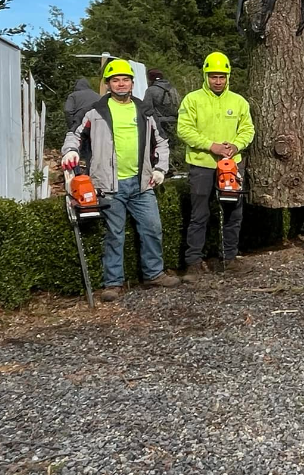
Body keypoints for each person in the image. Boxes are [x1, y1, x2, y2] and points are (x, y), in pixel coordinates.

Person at [61, 59, 180, 301]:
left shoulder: (144, 110)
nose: (121, 83)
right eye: (116, 80)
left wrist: (160, 169)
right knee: (114, 235)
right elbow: (73, 135)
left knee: (153, 229)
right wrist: (70, 151)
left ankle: (154, 274)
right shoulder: (94, 111)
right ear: (108, 84)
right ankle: (113, 283)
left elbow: (163, 142)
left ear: (132, 83)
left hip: (141, 184)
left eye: (125, 79)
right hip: (108, 186)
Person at [177, 52, 255, 279]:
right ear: (206, 76)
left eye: (222, 77)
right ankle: (193, 262)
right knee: (199, 215)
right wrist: (212, 146)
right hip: (201, 165)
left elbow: (247, 130)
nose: (218, 81)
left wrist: (236, 146)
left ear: (228, 76)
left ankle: (228, 259)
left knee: (233, 214)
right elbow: (184, 129)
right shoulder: (192, 100)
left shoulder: (239, 102)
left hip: (232, 166)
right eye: (213, 77)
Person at [144, 69, 181, 138]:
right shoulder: (173, 89)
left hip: (159, 123)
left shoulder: (151, 90)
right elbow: (179, 105)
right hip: (174, 122)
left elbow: (147, 110)